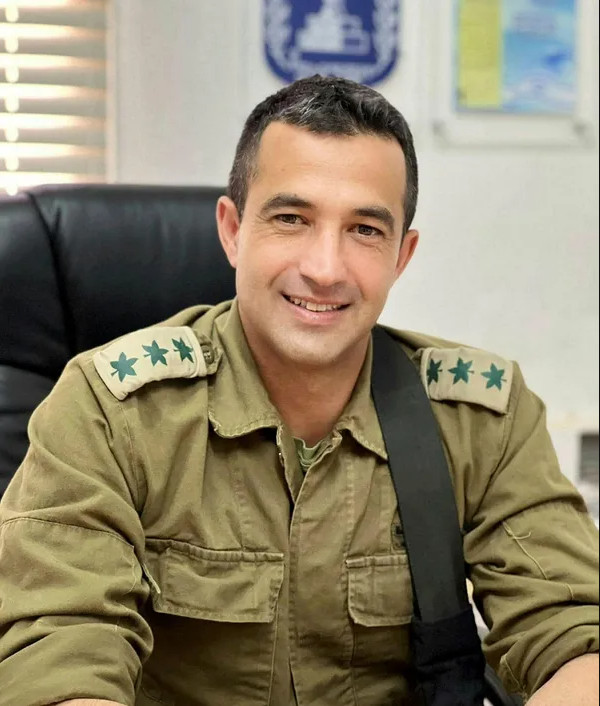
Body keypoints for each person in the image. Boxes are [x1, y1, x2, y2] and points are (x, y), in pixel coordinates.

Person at [0, 76, 597, 706]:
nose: (325, 268)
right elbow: (58, 653)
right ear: (233, 230)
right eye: (291, 219)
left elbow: (573, 632)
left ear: (401, 256)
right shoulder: (111, 410)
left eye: (365, 230)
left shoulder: (479, 419)